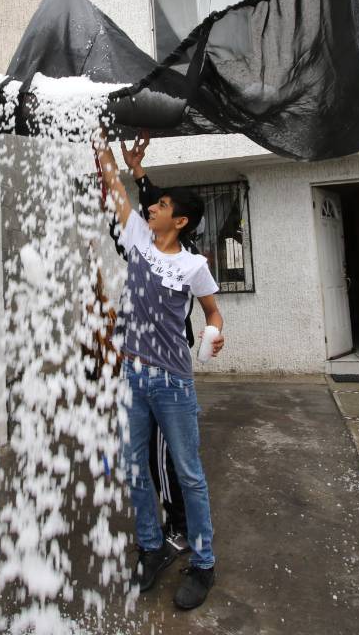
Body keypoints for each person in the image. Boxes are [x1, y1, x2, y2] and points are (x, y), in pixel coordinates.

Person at [94, 130, 225, 611]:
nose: (152, 206)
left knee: (189, 475)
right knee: (135, 470)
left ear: (181, 219)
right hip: (134, 375)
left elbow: (212, 312)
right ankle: (150, 549)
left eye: (162, 204)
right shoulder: (137, 240)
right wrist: (100, 139)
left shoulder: (194, 266)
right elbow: (113, 185)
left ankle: (204, 563)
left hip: (172, 382)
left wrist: (215, 332)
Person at [114, 133, 190, 557]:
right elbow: (142, 212)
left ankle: (178, 527)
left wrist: (140, 174)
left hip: (167, 370)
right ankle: (154, 534)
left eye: (158, 210)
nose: (148, 214)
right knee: (143, 458)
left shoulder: (182, 256)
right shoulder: (141, 249)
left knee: (168, 461)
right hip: (138, 366)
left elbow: (158, 213)